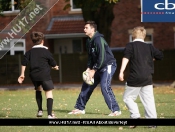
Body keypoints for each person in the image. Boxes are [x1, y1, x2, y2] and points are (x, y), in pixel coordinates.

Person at [68, 21, 121, 116]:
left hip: (108, 65)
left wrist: (94, 70)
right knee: (87, 85)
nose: (84, 29)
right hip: (97, 66)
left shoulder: (98, 39)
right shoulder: (88, 41)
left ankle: (116, 110)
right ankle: (80, 108)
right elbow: (90, 57)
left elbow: (102, 56)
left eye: (86, 28)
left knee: (105, 86)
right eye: (84, 28)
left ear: (92, 29)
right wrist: (89, 68)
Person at [119, 26, 164, 128]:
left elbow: (126, 58)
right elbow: (160, 55)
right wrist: (151, 59)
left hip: (135, 77)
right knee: (149, 101)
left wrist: (121, 71)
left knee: (128, 98)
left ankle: (135, 116)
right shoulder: (149, 47)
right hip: (147, 77)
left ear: (133, 35)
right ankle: (152, 124)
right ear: (144, 36)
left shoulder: (130, 46)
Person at [18, 31, 59, 119]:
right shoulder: (46, 51)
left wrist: (22, 74)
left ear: (33, 41)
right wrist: (55, 67)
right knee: (48, 93)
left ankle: (40, 110)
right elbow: (52, 62)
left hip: (34, 75)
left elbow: (24, 63)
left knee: (38, 89)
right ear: (42, 41)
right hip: (44, 75)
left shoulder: (29, 52)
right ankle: (50, 115)